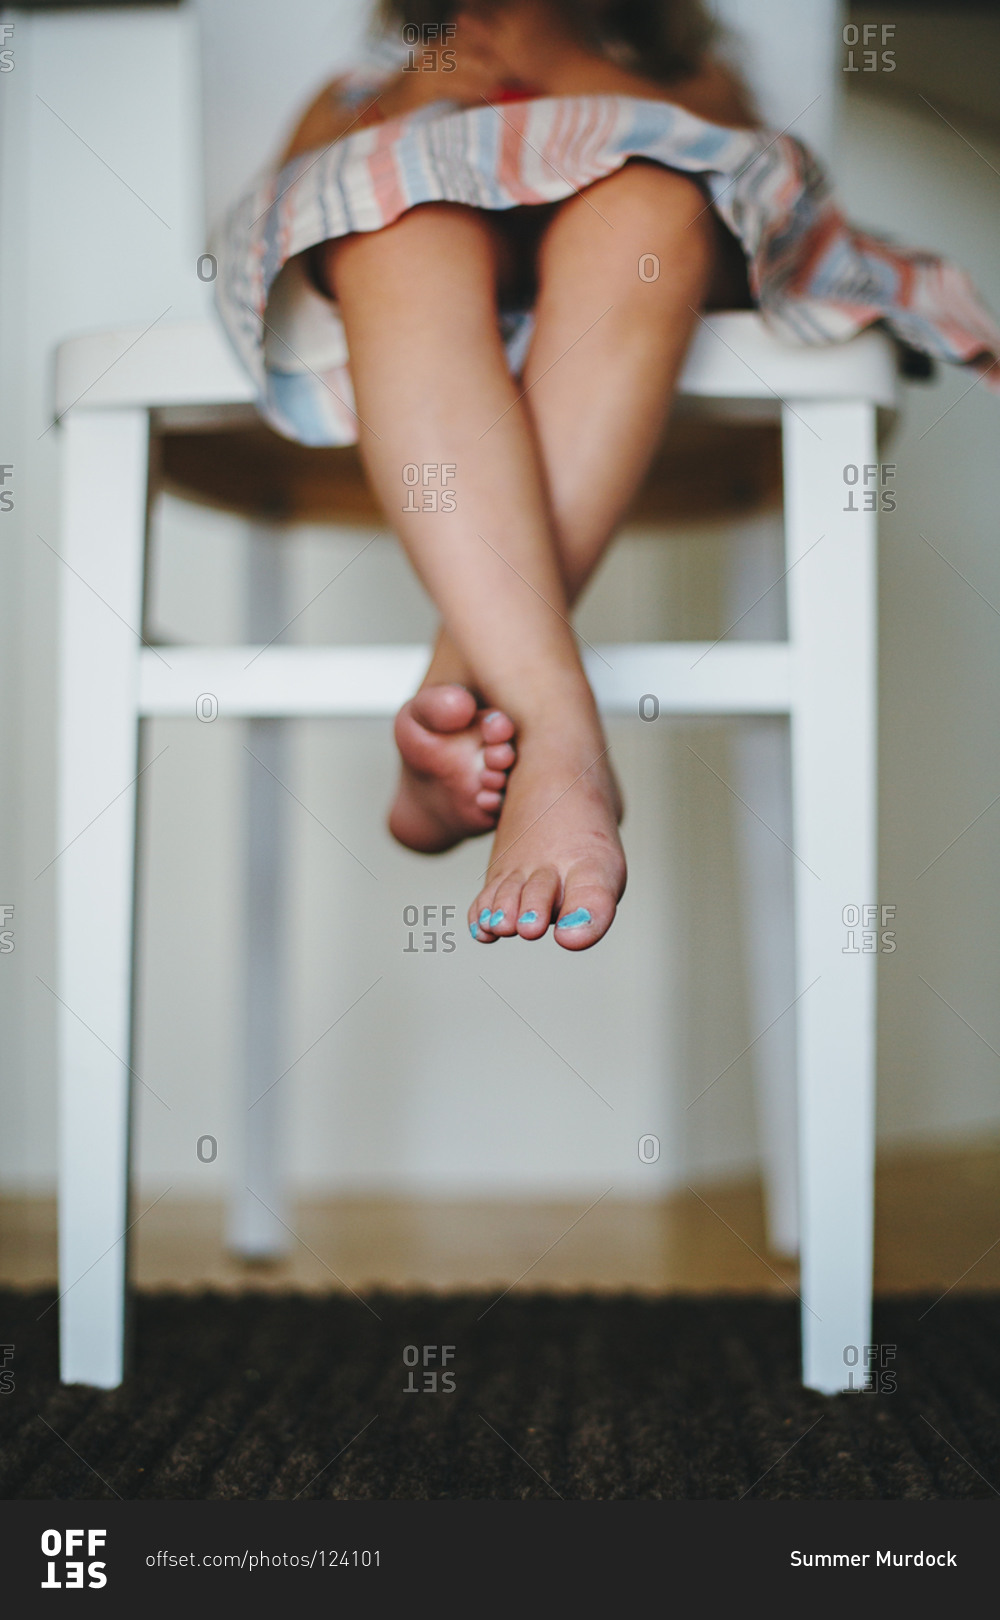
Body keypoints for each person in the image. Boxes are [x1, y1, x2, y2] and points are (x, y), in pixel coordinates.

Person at [215, 0, 1000, 951]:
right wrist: (411, 95)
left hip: (628, 274)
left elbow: (741, 163)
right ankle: (559, 734)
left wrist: (574, 73)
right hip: (424, 276)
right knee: (395, 227)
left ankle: (463, 683)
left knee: (650, 207)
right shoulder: (372, 84)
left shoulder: (680, 71)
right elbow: (293, 206)